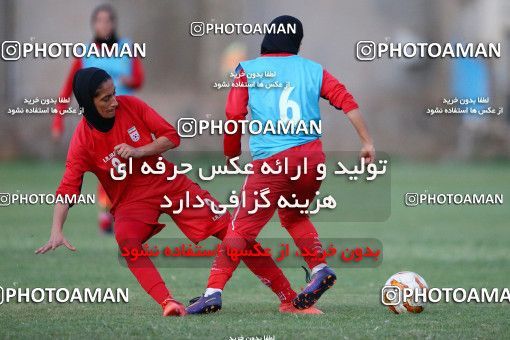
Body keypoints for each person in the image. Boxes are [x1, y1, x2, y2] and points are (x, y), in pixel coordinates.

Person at [35, 67, 321, 316]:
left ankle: (290, 299)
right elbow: (67, 188)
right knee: (126, 240)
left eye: (113, 93)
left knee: (233, 231)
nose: (114, 102)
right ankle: (167, 302)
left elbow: (171, 136)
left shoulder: (131, 105)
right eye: (105, 98)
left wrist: (139, 151)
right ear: (88, 102)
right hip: (131, 202)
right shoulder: (82, 142)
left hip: (168, 182)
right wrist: (56, 229)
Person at [187, 15, 375, 314]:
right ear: (296, 41)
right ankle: (320, 268)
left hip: (272, 163)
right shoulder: (313, 70)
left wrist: (231, 152)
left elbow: (234, 116)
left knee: (240, 228)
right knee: (295, 216)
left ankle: (213, 292)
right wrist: (367, 142)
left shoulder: (248, 70)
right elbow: (347, 101)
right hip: (312, 162)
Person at [52, 4, 144, 234]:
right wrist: (58, 120)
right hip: (99, 120)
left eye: (108, 21)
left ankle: (119, 211)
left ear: (114, 24)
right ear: (94, 25)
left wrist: (128, 81)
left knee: (133, 166)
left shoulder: (128, 48)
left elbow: (139, 80)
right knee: (109, 164)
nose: (104, 25)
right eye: (99, 21)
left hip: (126, 116)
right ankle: (109, 212)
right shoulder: (85, 53)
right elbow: (68, 88)